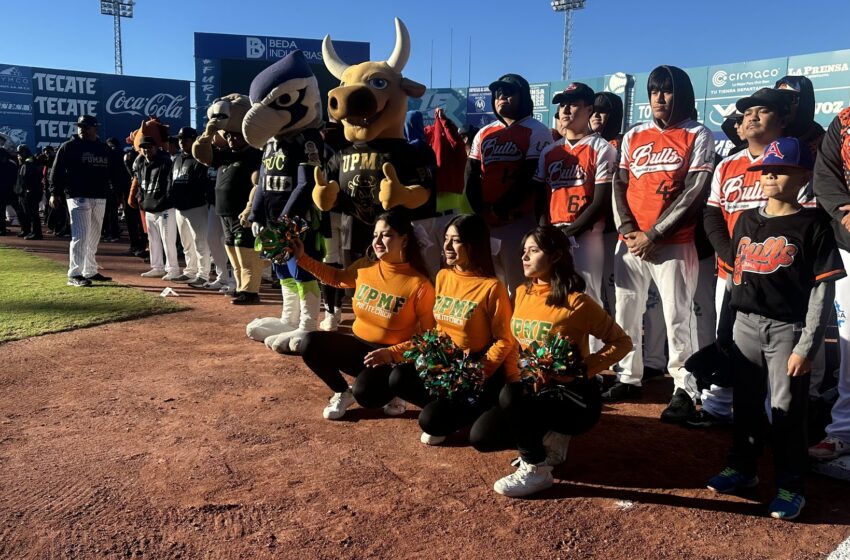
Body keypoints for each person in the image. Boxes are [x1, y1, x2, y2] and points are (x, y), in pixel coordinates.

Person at [706, 137, 844, 520]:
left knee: (786, 411)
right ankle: (743, 469)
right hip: (745, 326)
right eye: (766, 169)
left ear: (802, 175)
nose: (769, 175)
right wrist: (724, 328)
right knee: (745, 406)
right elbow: (736, 279)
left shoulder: (814, 223)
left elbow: (822, 290)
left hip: (788, 330)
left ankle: (790, 485)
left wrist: (808, 345)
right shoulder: (748, 219)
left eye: (780, 169)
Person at [477, 226, 631, 497]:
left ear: (556, 255)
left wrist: (582, 370)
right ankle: (548, 437)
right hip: (535, 389)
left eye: (533, 251)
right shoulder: (522, 294)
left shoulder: (577, 303)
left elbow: (622, 342)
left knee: (512, 395)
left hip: (574, 397)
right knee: (483, 437)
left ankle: (537, 470)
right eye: (523, 251)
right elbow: (517, 344)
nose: (524, 257)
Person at [606, 66, 715, 425]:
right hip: (631, 241)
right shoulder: (634, 135)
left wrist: (655, 234)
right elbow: (619, 184)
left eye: (667, 91)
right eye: (654, 91)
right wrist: (627, 229)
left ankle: (684, 388)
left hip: (673, 242)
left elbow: (695, 191)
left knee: (677, 317)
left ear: (682, 94)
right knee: (626, 311)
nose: (659, 98)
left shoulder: (698, 134)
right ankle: (627, 376)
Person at [697, 88, 797, 428]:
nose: (751, 116)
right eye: (747, 111)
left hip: (779, 276)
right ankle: (718, 406)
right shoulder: (728, 165)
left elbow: (803, 220)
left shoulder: (794, 162)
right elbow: (711, 215)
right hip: (731, 271)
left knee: (775, 349)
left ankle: (772, 417)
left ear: (782, 119)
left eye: (762, 111)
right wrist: (729, 255)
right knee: (727, 341)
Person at [380, 213, 515, 445]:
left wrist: (478, 372)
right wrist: (392, 352)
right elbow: (436, 333)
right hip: (447, 367)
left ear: (473, 245)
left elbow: (505, 340)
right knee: (398, 377)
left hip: (478, 371)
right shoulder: (443, 276)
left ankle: (476, 412)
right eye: (446, 239)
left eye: (457, 240)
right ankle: (451, 411)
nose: (448, 246)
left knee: (430, 422)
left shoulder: (492, 287)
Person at [292, 211, 436, 420]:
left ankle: (396, 391)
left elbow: (429, 338)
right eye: (375, 235)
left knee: (368, 396)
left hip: (391, 358)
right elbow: (336, 278)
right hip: (360, 349)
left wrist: (392, 353)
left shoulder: (420, 284)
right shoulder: (365, 267)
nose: (377, 241)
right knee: (310, 343)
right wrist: (301, 258)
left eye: (386, 235)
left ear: (404, 239)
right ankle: (343, 392)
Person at [465, 73, 553, 293]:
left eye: (508, 92)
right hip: (488, 221)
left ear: (522, 96)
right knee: (489, 283)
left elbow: (531, 177)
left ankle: (517, 326)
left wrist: (500, 210)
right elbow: (471, 174)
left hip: (520, 220)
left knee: (519, 284)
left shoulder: (537, 129)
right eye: (497, 93)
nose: (501, 96)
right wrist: (482, 211)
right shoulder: (484, 132)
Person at [535, 83, 617, 309]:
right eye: (562, 105)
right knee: (552, 296)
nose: (566, 110)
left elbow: (600, 202)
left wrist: (569, 234)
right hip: (554, 235)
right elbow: (540, 199)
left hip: (586, 236)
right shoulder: (550, 151)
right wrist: (545, 233)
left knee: (587, 298)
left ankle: (593, 345)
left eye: (573, 104)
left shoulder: (603, 149)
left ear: (589, 109)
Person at [810, 105, 850, 462]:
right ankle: (843, 430)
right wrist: (843, 210)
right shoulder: (845, 118)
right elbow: (825, 174)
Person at [193, 108, 263, 304]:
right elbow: (200, 154)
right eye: (229, 136)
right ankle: (241, 287)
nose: (231, 139)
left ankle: (251, 292)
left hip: (242, 213)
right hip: (223, 211)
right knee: (232, 252)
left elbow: (259, 183)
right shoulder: (224, 155)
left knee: (246, 252)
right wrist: (208, 133)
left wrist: (250, 207)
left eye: (236, 136)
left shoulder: (253, 155)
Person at [49, 115, 116, 287]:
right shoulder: (69, 147)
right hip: (78, 195)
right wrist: (54, 193)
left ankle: (90, 270)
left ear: (95, 128)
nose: (82, 129)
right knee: (80, 235)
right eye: (80, 126)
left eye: (86, 126)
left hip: (99, 196)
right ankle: (75, 273)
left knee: (94, 236)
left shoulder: (104, 149)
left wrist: (118, 193)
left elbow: (115, 172)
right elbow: (56, 172)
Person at [132, 136, 181, 281]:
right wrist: (141, 200)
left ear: (156, 147)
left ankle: (173, 269)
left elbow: (170, 184)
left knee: (168, 240)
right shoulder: (141, 163)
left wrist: (166, 201)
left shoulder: (165, 161)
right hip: (149, 207)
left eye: (149, 147)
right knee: (153, 240)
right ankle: (157, 267)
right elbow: (141, 185)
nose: (146, 150)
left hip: (165, 208)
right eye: (144, 147)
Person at [171, 127, 212, 287]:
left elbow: (203, 184)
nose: (182, 142)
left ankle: (203, 275)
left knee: (200, 242)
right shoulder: (177, 159)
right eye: (180, 139)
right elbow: (171, 181)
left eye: (186, 139)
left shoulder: (200, 159)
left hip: (196, 207)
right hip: (180, 208)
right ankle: (190, 271)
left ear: (194, 140)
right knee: (186, 242)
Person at [15, 145, 43, 240]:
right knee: (26, 213)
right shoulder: (27, 162)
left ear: (24, 153)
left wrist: (26, 190)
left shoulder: (29, 162)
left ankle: (37, 233)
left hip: (30, 192)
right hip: (26, 192)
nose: (18, 156)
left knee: (33, 213)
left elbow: (27, 179)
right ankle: (28, 231)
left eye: (20, 154)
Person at [0, 149, 20, 236]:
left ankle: (2, 229)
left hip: (8, 191)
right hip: (10, 191)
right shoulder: (12, 165)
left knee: (2, 211)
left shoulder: (12, 165)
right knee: (18, 210)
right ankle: (25, 228)